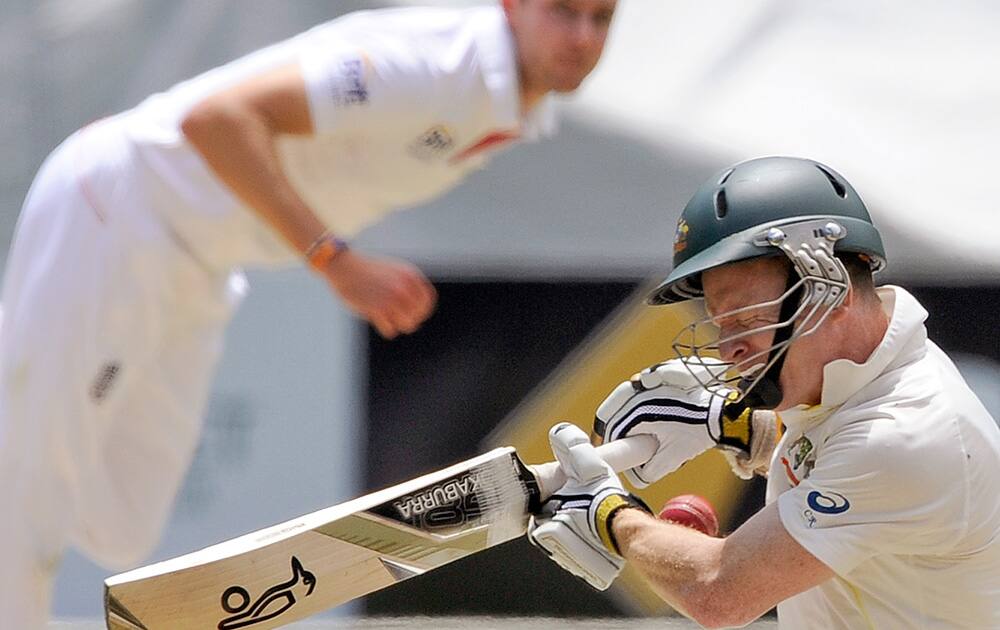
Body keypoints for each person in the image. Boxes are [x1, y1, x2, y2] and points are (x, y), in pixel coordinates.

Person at [0, 1, 618, 626]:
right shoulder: (431, 63)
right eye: (563, 11)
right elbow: (217, 120)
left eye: (602, 18)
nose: (582, 37)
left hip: (196, 265)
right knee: (33, 483)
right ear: (511, 6)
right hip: (118, 213)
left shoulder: (514, 102)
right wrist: (335, 261)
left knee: (119, 523)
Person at [528, 156, 1000, 628]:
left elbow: (718, 591)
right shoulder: (865, 377)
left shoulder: (905, 432)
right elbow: (848, 454)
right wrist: (752, 431)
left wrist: (611, 515)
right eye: (720, 324)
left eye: (748, 320)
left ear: (830, 292)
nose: (729, 350)